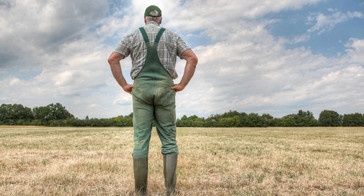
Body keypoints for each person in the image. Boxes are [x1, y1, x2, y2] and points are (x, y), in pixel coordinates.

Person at [108, 5, 198, 196]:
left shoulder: (132, 36)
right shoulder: (172, 36)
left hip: (141, 90)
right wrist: (181, 84)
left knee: (141, 142)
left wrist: (125, 85)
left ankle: (140, 192)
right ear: (160, 20)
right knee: (169, 141)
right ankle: (170, 191)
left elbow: (113, 59)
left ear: (144, 19)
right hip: (166, 89)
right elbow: (192, 58)